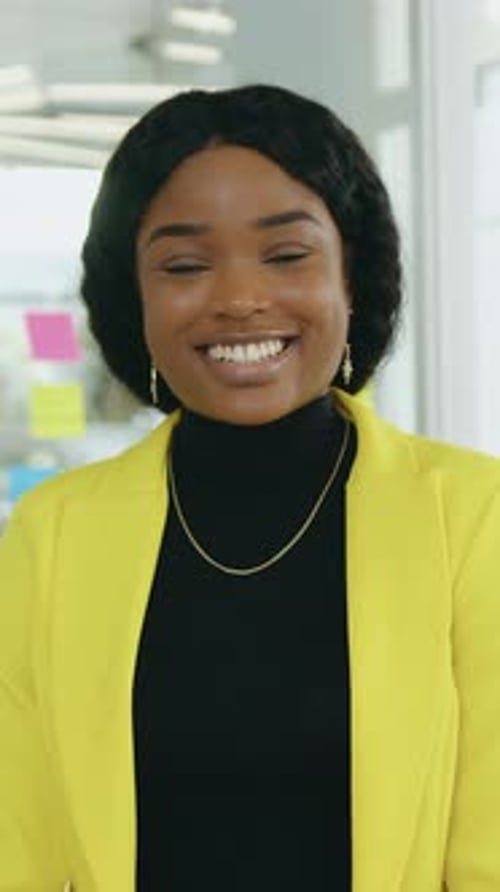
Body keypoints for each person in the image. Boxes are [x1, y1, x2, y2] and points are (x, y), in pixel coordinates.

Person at [1, 83, 499, 892]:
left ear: (352, 279)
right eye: (186, 265)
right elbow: (15, 847)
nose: (238, 299)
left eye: (287, 255)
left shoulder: (475, 517)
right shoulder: (54, 531)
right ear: (136, 299)